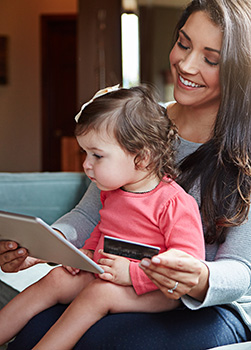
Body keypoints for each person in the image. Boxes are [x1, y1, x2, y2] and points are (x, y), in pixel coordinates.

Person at [1, 0, 251, 349]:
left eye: (211, 59)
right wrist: (48, 244)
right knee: (32, 333)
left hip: (204, 305)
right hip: (117, 280)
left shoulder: (243, 150)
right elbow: (92, 213)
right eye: (182, 43)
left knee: (103, 341)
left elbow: (241, 267)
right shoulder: (139, 122)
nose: (186, 64)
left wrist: (199, 275)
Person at [0, 85, 205, 349]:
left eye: (97, 155)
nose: (86, 164)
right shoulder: (113, 192)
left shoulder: (174, 203)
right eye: (85, 153)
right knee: (57, 278)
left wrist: (132, 274)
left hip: (158, 291)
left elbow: (187, 265)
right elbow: (103, 230)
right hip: (109, 274)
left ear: (142, 158)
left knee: (99, 293)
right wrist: (85, 252)